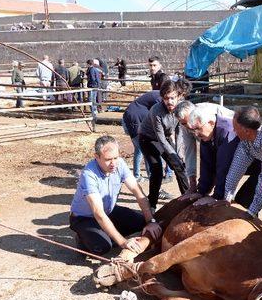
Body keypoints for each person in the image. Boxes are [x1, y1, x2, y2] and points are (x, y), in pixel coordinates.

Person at [69, 136, 161, 255]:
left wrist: (151, 221)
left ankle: (107, 233)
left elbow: (138, 192)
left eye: (116, 158)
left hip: (109, 211)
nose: (113, 163)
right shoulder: (89, 175)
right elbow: (98, 213)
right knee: (103, 247)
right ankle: (82, 240)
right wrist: (123, 242)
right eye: (108, 159)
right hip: (84, 218)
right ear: (97, 157)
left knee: (143, 222)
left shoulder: (120, 164)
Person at [138, 79, 191, 209]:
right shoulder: (156, 111)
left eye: (173, 98)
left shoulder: (181, 107)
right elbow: (160, 138)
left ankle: (189, 198)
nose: (170, 102)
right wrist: (173, 155)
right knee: (156, 169)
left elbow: (179, 130)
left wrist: (179, 152)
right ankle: (152, 204)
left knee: (180, 166)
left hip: (165, 138)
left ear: (179, 96)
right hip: (148, 139)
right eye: (166, 98)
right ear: (162, 98)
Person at [123, 90, 160, 181]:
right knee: (148, 151)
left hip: (130, 120)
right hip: (134, 122)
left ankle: (136, 175)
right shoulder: (159, 98)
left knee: (139, 149)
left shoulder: (155, 96)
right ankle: (153, 178)